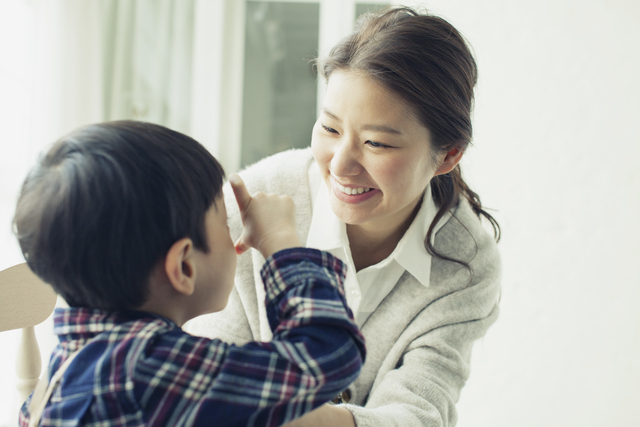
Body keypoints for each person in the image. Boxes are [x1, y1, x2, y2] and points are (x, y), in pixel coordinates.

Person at [185, 5, 501, 427]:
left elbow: (419, 413)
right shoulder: (251, 200)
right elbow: (199, 377)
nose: (340, 165)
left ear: (448, 155)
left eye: (376, 143)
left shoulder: (465, 263)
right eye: (330, 129)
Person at [12, 120, 365, 427]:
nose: (235, 233)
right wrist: (280, 241)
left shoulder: (51, 386)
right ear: (183, 266)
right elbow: (329, 353)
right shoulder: (151, 371)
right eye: (224, 222)